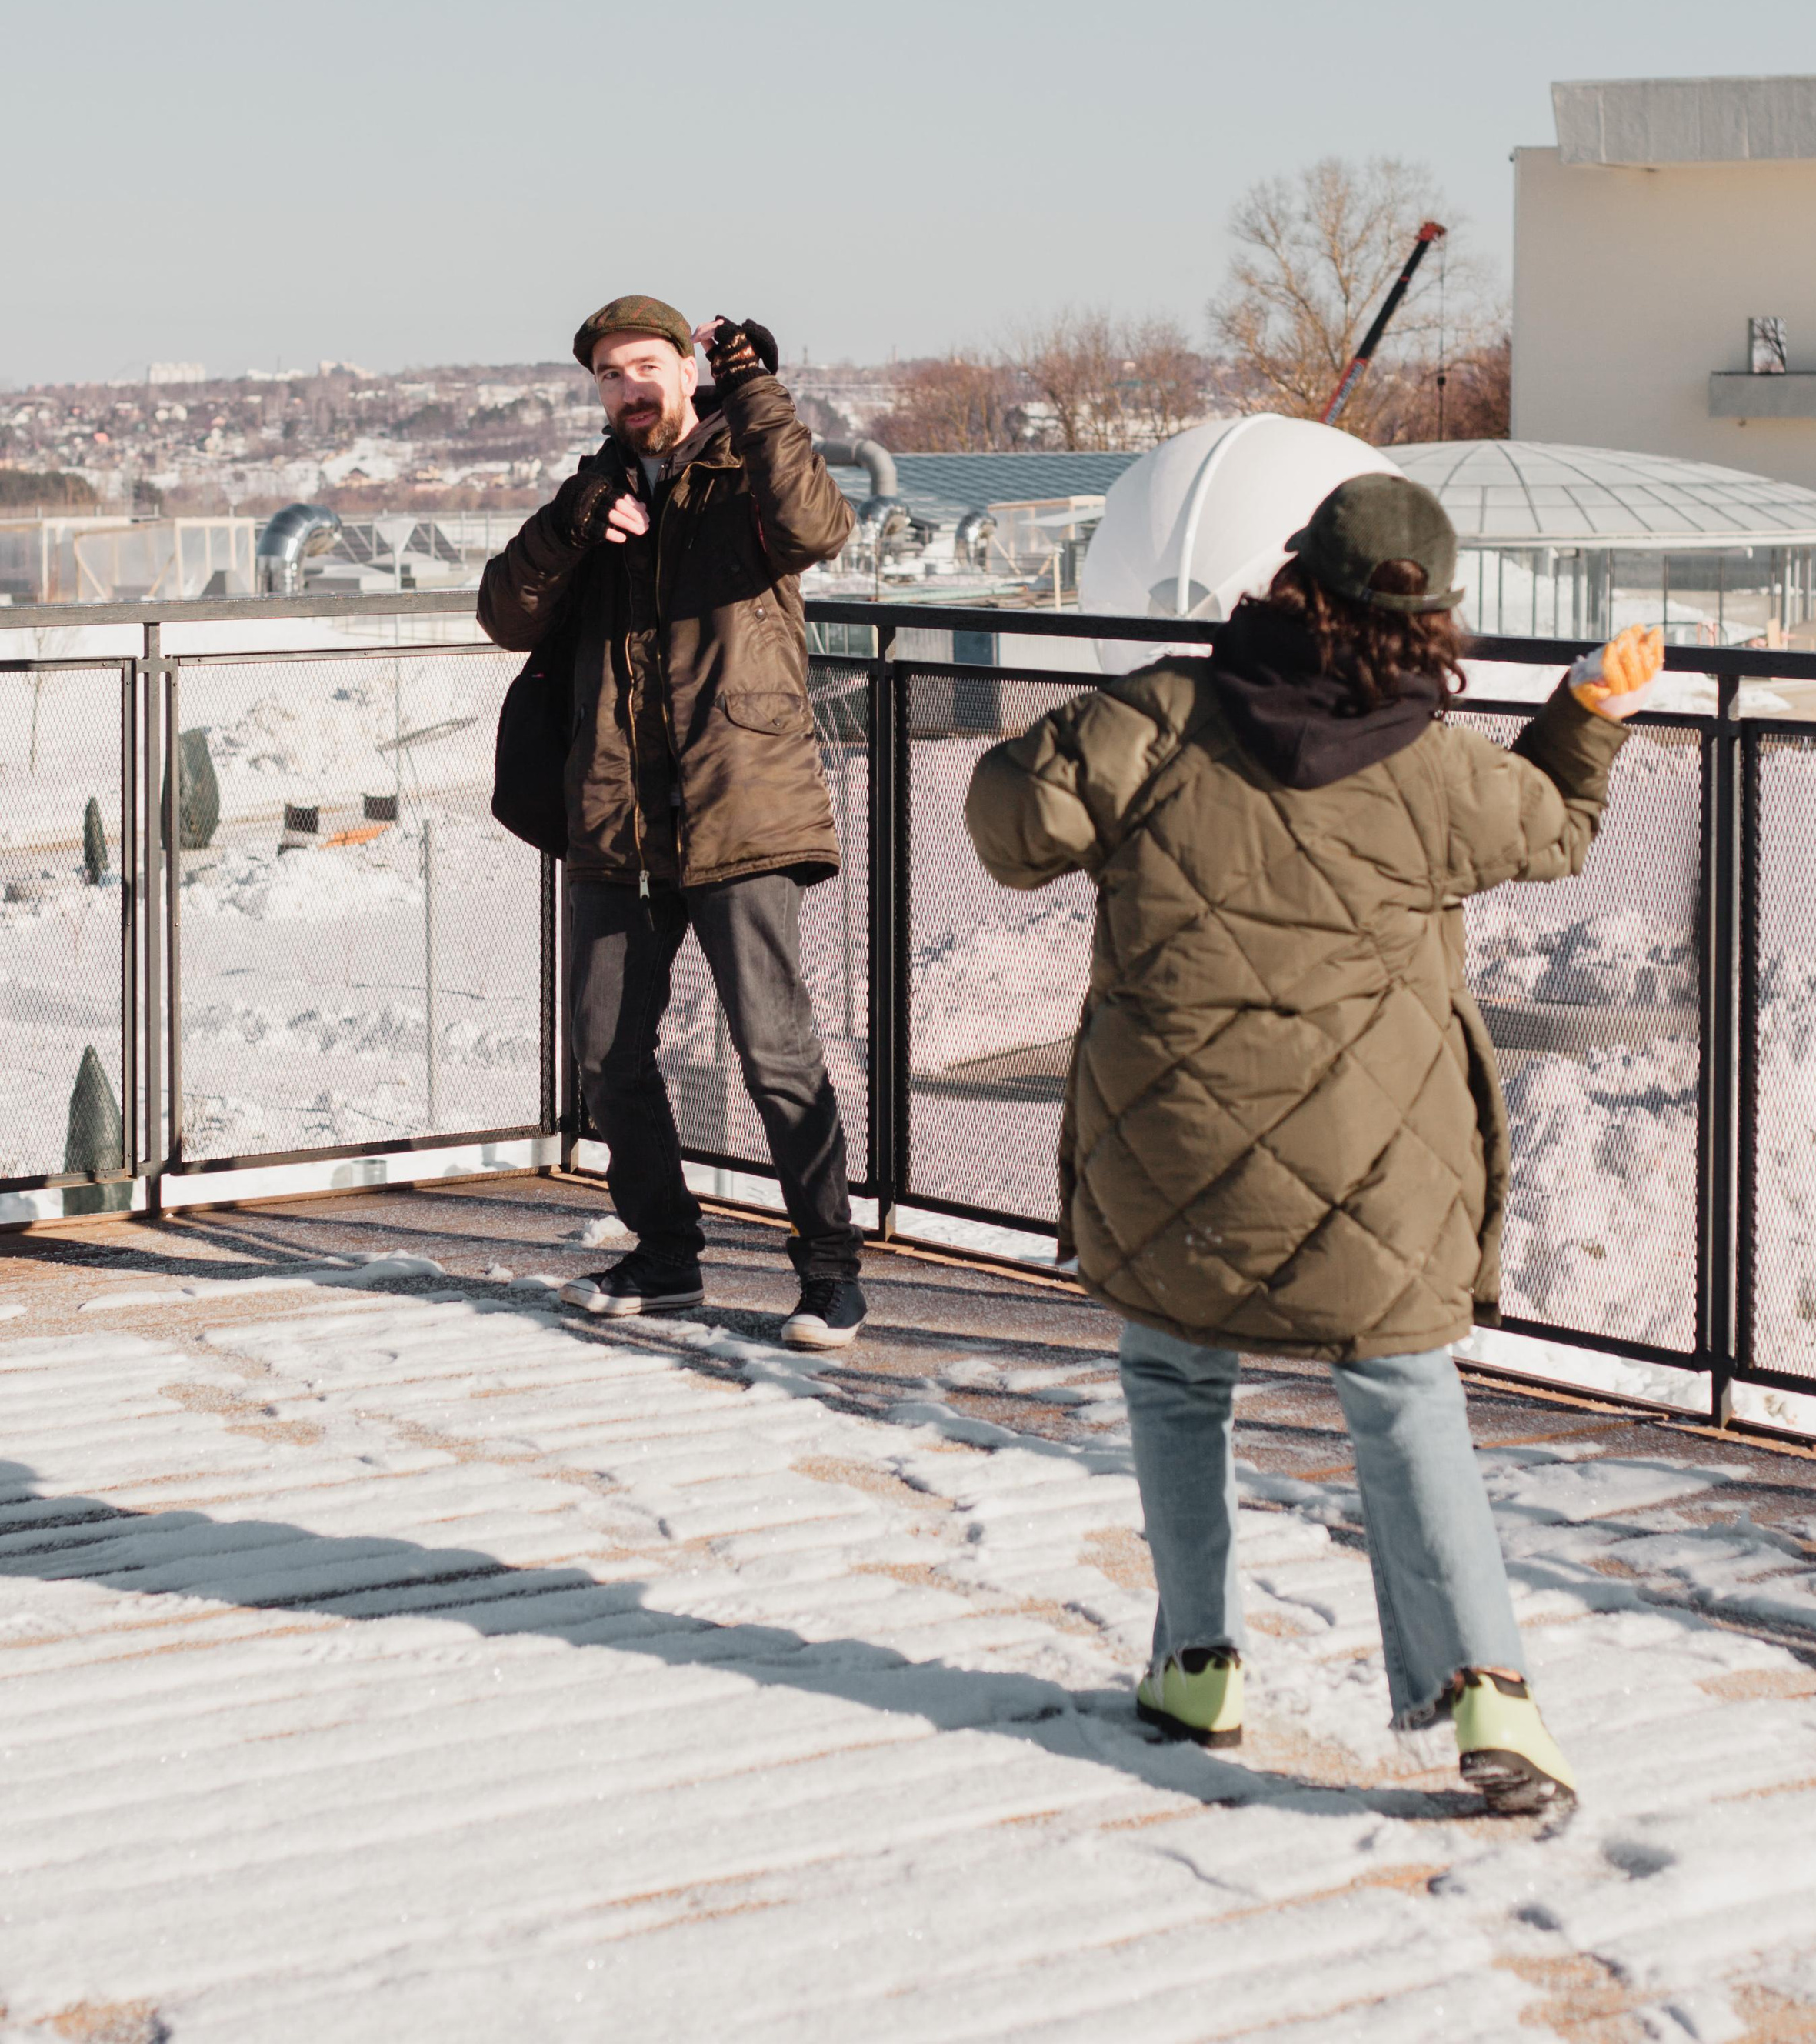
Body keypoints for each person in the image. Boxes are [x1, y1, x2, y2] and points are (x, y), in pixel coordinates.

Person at [962, 472, 1662, 1814]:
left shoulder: (1163, 717)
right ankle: (1491, 1700)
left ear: (1294, 580)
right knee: (1406, 1398)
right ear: (1434, 622)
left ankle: (1195, 1663)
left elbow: (1008, 826)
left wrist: (1089, 723)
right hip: (1375, 1161)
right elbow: (1558, 826)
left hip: (1171, 1144)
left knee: (1175, 1373)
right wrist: (1583, 711)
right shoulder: (1443, 768)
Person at [479, 294, 866, 1350]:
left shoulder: (749, 475)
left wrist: (761, 398)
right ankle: (665, 1254)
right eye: (609, 374)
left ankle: (830, 1269)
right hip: (618, 815)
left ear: (688, 371)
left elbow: (817, 527)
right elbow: (504, 611)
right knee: (606, 1053)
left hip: (742, 805)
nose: (629, 386)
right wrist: (572, 526)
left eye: (645, 364)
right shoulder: (592, 489)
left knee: (774, 1049)